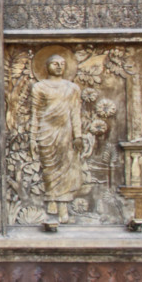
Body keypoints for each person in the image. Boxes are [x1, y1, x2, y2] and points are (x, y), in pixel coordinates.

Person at [30, 51, 84, 223]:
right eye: (55, 63)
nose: (60, 66)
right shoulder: (39, 87)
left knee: (65, 168)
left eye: (62, 63)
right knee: (49, 167)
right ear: (47, 67)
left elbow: (75, 112)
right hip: (46, 130)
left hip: (65, 131)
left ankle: (63, 207)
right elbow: (36, 113)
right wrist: (32, 136)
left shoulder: (72, 88)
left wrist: (78, 135)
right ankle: (51, 200)